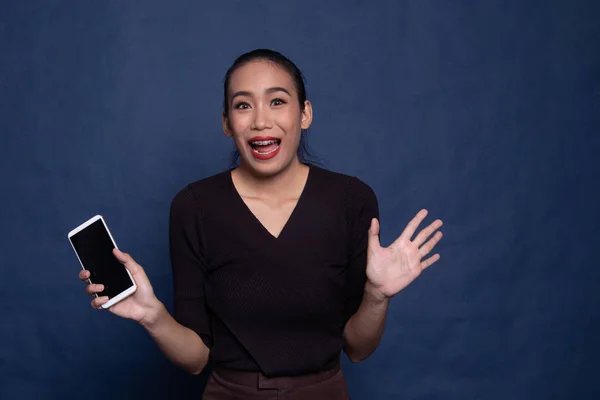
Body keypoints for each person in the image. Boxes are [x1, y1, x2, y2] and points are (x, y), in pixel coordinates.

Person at [78, 49, 443, 399]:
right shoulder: (193, 207)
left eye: (277, 101)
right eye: (242, 105)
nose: (260, 121)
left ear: (305, 113)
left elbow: (359, 349)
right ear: (226, 122)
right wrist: (152, 315)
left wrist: (377, 296)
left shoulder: (350, 201)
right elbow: (195, 359)